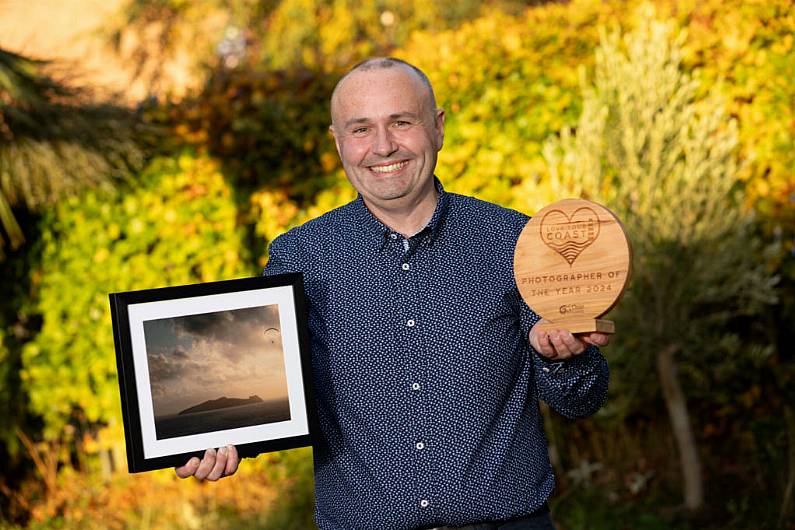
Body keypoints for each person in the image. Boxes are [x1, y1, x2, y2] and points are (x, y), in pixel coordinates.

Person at [176, 57, 610, 530]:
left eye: (401, 122)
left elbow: (579, 402)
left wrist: (562, 357)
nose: (383, 147)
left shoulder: (514, 240)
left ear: (438, 128)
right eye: (360, 129)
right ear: (338, 142)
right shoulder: (299, 256)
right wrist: (222, 440)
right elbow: (269, 385)